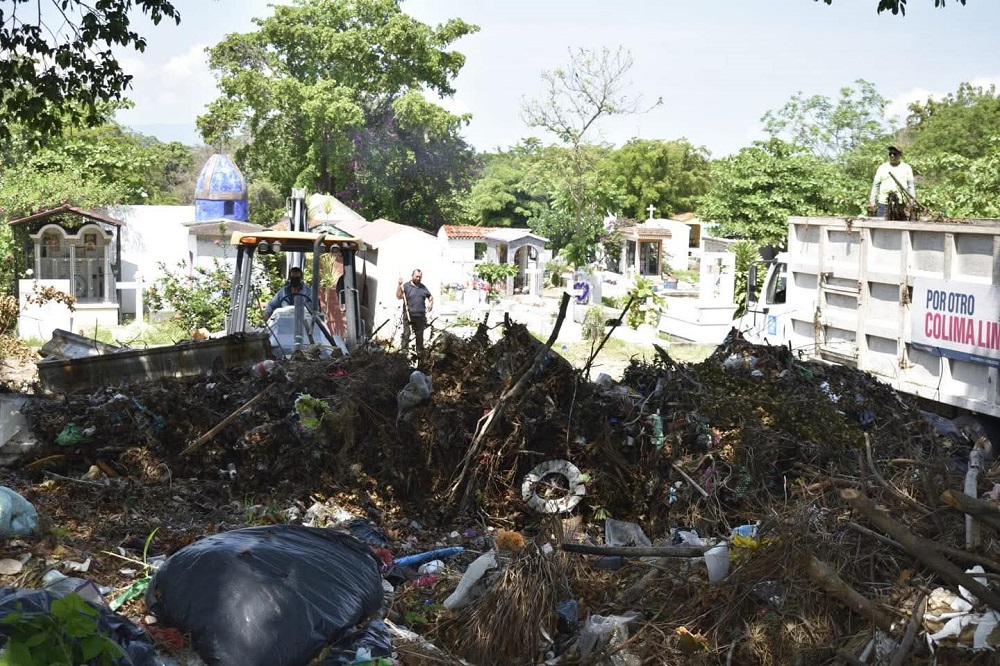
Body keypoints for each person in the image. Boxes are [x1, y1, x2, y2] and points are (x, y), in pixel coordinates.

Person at [869, 146, 915, 218]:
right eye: (890, 154)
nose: (892, 155)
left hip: (901, 204)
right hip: (884, 204)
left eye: (895, 154)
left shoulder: (907, 168)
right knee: (881, 227)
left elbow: (911, 185)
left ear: (900, 155)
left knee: (901, 227)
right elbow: (875, 185)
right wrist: (872, 201)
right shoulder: (882, 167)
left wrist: (912, 200)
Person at [396, 269, 433, 356]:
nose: (418, 278)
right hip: (408, 315)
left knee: (419, 336)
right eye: (416, 276)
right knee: (406, 334)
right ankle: (404, 355)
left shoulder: (423, 287)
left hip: (420, 316)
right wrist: (399, 285)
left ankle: (420, 355)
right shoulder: (406, 286)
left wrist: (431, 303)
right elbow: (398, 296)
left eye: (420, 277)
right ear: (412, 276)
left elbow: (430, 297)